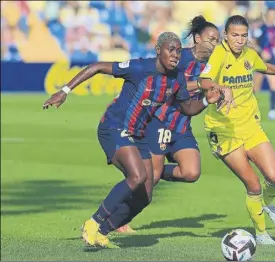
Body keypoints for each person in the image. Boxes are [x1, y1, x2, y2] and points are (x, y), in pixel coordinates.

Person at [42, 32, 223, 248]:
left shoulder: (177, 80)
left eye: (177, 50)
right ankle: (93, 223)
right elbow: (98, 66)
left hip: (139, 135)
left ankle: (103, 231)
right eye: (170, 50)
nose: (175, 55)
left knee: (145, 195)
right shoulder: (138, 68)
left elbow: (188, 108)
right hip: (114, 126)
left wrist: (205, 100)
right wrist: (64, 91)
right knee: (137, 176)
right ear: (158, 50)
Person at [198, 15, 275, 245]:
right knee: (253, 184)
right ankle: (262, 233)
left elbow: (264, 67)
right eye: (235, 35)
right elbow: (204, 80)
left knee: (274, 177)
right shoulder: (219, 54)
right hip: (224, 130)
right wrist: (220, 86)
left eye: (243, 35)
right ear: (226, 35)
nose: (239, 40)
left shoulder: (248, 54)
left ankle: (265, 203)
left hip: (250, 126)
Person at [116, 15, 220, 234]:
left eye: (218, 40)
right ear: (198, 39)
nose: (215, 43)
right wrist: (202, 84)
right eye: (212, 39)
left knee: (191, 172)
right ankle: (119, 218)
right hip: (160, 120)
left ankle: (157, 172)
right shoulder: (178, 57)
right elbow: (166, 83)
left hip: (182, 125)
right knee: (147, 182)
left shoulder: (213, 64)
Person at [251, 8, 275, 121]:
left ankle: (273, 112)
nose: (272, 17)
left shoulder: (274, 29)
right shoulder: (261, 29)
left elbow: (271, 42)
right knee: (255, 87)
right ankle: (249, 111)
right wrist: (261, 51)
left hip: (271, 60)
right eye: (270, 15)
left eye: (274, 15)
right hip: (260, 60)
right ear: (267, 16)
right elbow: (253, 44)